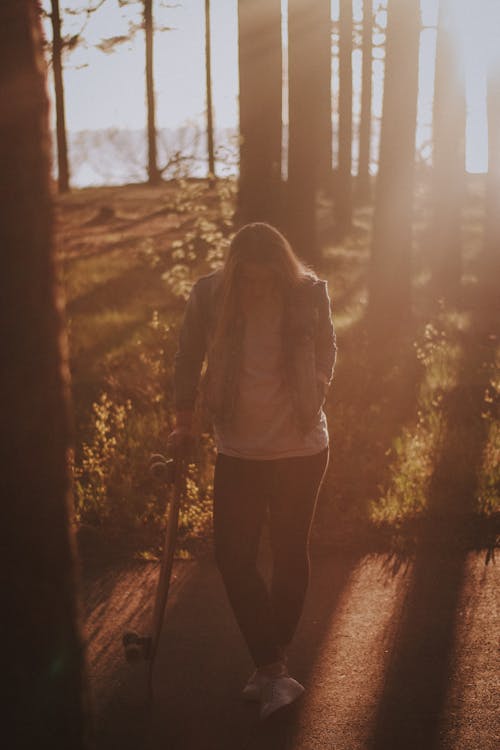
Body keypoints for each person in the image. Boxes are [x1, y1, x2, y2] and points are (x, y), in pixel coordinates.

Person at [168, 222, 337, 720]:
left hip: (301, 450)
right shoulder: (210, 295)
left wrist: (318, 387)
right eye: (248, 279)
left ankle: (271, 666)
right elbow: (186, 357)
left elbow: (328, 347)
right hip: (238, 451)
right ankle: (274, 668)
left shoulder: (308, 293)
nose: (256, 288)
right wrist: (183, 422)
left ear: (280, 270)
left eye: (265, 280)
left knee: (289, 554)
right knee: (232, 556)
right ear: (234, 271)